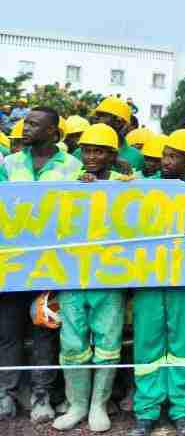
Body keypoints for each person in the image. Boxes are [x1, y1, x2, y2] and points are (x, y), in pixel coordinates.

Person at [0, 106, 81, 423]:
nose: (25, 127)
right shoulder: (9, 162)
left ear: (52, 132)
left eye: (34, 124)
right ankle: (6, 393)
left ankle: (41, 395)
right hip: (12, 265)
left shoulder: (72, 166)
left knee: (44, 331)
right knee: (7, 333)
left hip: (51, 266)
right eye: (25, 122)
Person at [130, 129, 185, 436]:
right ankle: (146, 411)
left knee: (184, 346)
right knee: (147, 343)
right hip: (148, 277)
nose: (166, 161)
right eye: (165, 154)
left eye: (175, 156)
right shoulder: (141, 187)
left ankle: (182, 411)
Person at [50, 123, 127, 433]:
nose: (92, 157)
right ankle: (78, 403)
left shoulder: (129, 184)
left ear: (112, 155)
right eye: (87, 151)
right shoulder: (69, 183)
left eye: (99, 151)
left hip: (110, 277)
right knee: (72, 341)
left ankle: (98, 405)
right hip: (73, 275)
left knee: (108, 342)